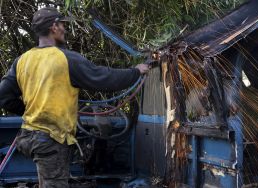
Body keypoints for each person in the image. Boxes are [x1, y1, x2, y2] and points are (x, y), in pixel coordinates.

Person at [0, 7, 150, 188]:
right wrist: (136, 72)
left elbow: (4, 97)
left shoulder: (22, 60)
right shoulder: (65, 58)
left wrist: (32, 111)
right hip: (51, 139)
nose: (65, 29)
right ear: (54, 27)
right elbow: (104, 78)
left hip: (30, 135)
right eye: (63, 24)